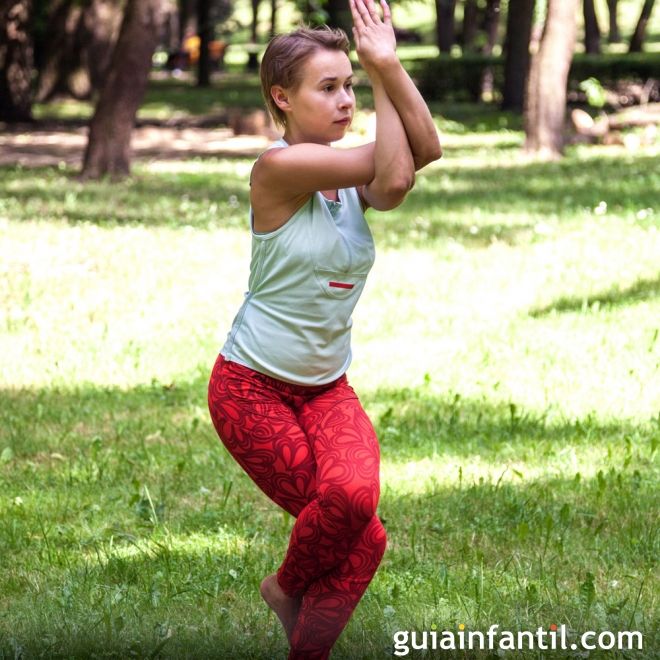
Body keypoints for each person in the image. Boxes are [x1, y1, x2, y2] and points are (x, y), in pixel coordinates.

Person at [207, 0, 441, 657]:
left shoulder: (348, 180)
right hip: (250, 390)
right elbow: (396, 167)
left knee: (356, 501)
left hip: (325, 388)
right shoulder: (279, 169)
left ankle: (289, 602)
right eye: (328, 88)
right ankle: (291, 604)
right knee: (360, 533)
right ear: (281, 98)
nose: (346, 101)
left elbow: (424, 153)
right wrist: (382, 65)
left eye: (351, 87)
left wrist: (386, 69)